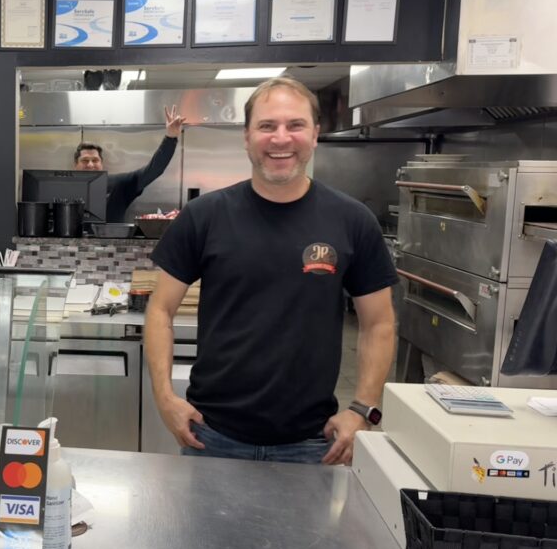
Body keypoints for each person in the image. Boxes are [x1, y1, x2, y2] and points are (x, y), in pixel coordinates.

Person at [143, 77, 396, 466]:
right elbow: (160, 311)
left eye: (295, 125)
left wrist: (363, 409)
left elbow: (378, 324)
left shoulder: (353, 221)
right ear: (247, 137)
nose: (281, 139)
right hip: (211, 436)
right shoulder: (205, 217)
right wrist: (164, 398)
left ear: (315, 135)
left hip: (313, 443)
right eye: (267, 126)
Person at [73, 105, 186, 223]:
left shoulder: (118, 184)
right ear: (75, 165)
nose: (90, 165)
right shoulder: (62, 188)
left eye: (95, 160)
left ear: (102, 164)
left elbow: (153, 170)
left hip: (112, 241)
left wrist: (170, 138)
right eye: (85, 160)